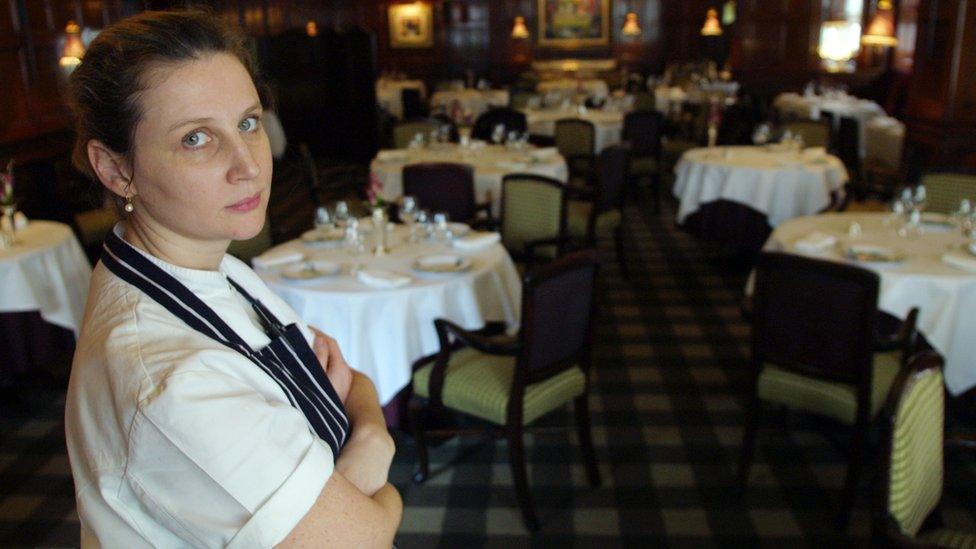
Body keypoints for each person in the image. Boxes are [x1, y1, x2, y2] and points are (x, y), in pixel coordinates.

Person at [63, 10, 401, 547]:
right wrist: (377, 444)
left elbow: (352, 378)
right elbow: (368, 535)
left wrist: (362, 433)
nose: (247, 163)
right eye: (196, 138)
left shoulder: (216, 265)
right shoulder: (172, 381)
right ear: (115, 169)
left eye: (247, 123)